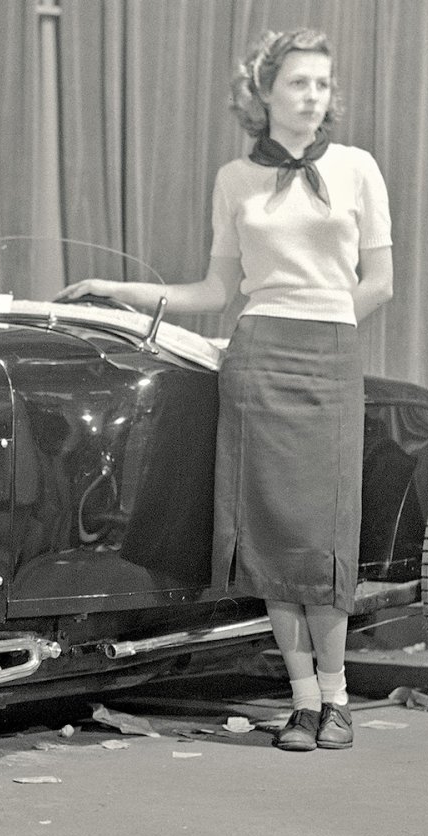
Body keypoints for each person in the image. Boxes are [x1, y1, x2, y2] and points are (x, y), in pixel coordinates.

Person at [56, 28, 393, 752]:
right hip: (257, 358)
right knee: (274, 543)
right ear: (264, 93)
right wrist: (118, 290)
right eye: (299, 82)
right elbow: (214, 290)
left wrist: (326, 327)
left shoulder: (360, 168)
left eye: (323, 85)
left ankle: (338, 700)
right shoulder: (235, 179)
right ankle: (304, 704)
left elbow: (380, 282)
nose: (313, 97)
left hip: (328, 357)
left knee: (321, 545)